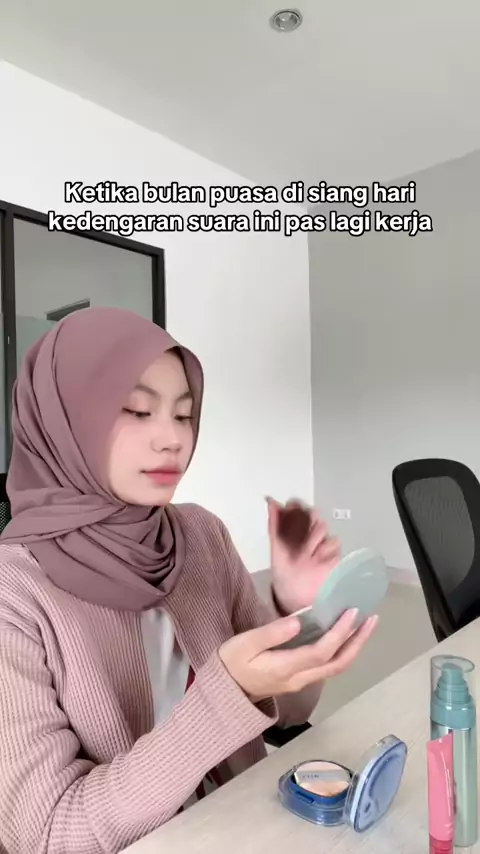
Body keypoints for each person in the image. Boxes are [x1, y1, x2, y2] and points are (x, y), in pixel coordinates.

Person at [0, 307, 378, 854]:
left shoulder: (200, 534)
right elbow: (49, 835)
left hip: (248, 827)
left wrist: (297, 611)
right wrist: (228, 694)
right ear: (66, 422)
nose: (173, 439)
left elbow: (290, 714)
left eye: (184, 414)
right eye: (137, 410)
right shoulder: (14, 593)